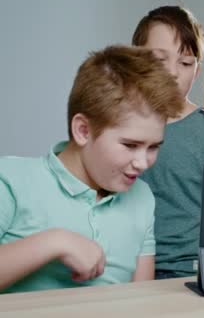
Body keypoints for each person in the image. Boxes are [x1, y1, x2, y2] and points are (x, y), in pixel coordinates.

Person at [0, 45, 183, 293]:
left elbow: (142, 301)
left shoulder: (141, 197)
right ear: (83, 131)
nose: (143, 162)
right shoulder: (11, 180)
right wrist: (55, 242)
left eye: (153, 147)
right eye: (130, 145)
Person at [132, 6, 204, 279]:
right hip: (125, 267)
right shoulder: (116, 129)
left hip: (188, 272)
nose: (172, 72)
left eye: (186, 62)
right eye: (159, 59)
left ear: (197, 70)